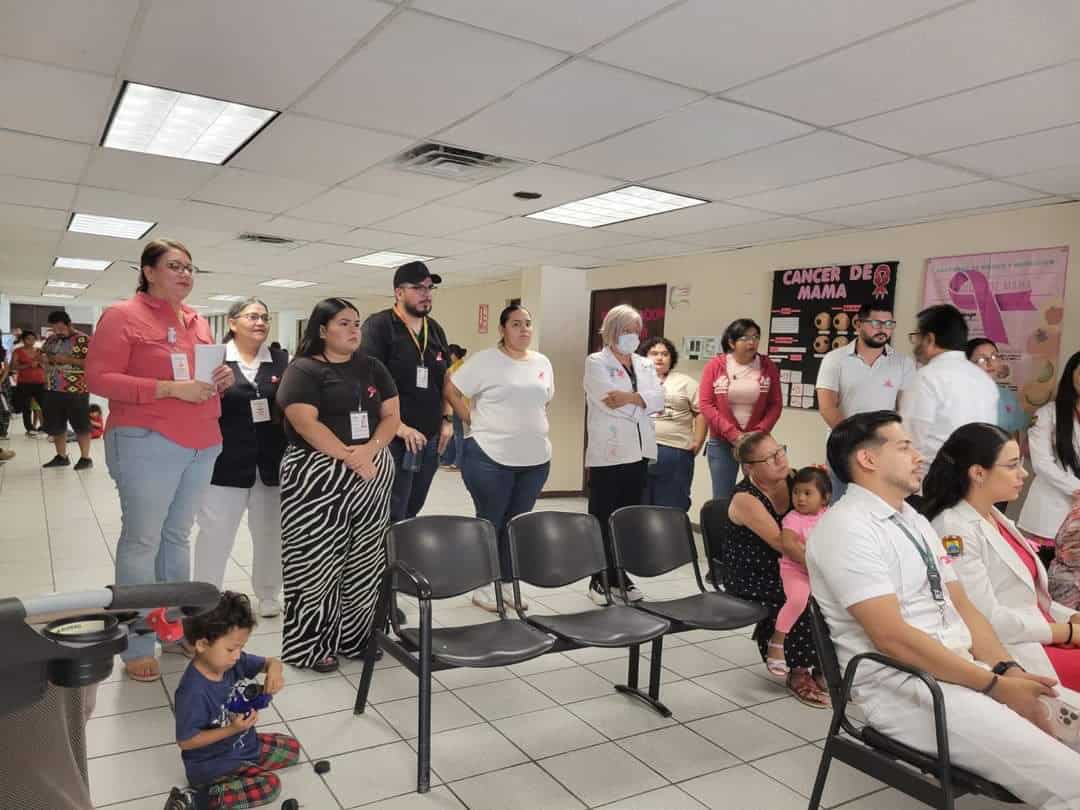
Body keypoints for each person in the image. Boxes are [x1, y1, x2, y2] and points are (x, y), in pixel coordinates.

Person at [808, 410, 1080, 809]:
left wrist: (1009, 671)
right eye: (904, 447)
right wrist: (996, 687)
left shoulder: (912, 519)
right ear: (868, 460)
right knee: (1071, 781)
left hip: (963, 671)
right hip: (911, 690)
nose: (919, 456)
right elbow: (892, 637)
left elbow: (964, 606)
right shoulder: (847, 528)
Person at [86, 238, 234, 682]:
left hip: (201, 440)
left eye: (190, 267)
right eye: (175, 266)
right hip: (146, 439)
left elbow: (200, 377)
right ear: (149, 271)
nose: (186, 274)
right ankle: (136, 642)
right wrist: (168, 388)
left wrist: (220, 379)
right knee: (143, 540)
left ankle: (174, 626)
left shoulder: (197, 321)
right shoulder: (122, 316)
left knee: (177, 536)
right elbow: (98, 378)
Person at [276, 298, 400, 673]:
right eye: (344, 323)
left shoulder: (372, 367)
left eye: (357, 323)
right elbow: (304, 422)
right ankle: (309, 645)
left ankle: (356, 636)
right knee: (315, 561)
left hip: (372, 473)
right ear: (322, 330)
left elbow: (391, 415)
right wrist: (350, 456)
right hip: (317, 474)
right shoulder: (304, 369)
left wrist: (371, 450)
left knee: (366, 561)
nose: (353, 330)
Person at [923, 422, 1080, 691]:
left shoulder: (995, 517)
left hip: (1038, 634)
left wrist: (1070, 618)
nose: (1023, 474)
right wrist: (1065, 631)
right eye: (1011, 466)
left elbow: (1033, 600)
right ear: (978, 473)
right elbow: (983, 619)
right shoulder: (954, 530)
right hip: (1009, 650)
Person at [445, 304, 552, 611]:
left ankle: (504, 583)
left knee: (515, 524)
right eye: (516, 324)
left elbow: (544, 401)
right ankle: (482, 585)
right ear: (502, 329)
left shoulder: (542, 362)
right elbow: (451, 389)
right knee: (491, 522)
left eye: (528, 324)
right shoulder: (486, 361)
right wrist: (472, 421)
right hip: (490, 457)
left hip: (534, 460)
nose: (524, 329)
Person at [193, 298, 288, 619]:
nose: (260, 322)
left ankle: (268, 594)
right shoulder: (215, 360)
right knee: (214, 534)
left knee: (269, 534)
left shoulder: (280, 360)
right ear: (233, 322)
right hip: (224, 464)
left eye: (264, 317)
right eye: (252, 316)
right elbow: (196, 404)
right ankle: (207, 599)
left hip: (270, 465)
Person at [167, 591, 298, 810]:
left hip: (242, 744)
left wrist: (274, 673)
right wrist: (232, 729)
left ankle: (246, 767)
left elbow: (271, 662)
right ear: (202, 644)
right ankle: (195, 800)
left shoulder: (231, 662)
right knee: (270, 785)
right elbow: (186, 741)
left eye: (241, 647)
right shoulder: (193, 692)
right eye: (231, 648)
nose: (237, 655)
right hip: (212, 765)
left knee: (292, 748)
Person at [723, 432, 827, 706]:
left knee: (836, 591)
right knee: (805, 595)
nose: (780, 459)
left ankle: (825, 665)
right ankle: (799, 672)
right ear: (750, 468)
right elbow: (783, 543)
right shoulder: (746, 497)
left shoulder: (794, 481)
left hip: (792, 563)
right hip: (753, 572)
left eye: (780, 450)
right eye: (770, 458)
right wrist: (823, 571)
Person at [360, 262, 453, 523]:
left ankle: (397, 557)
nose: (426, 294)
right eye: (417, 288)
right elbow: (368, 383)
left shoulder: (434, 329)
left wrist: (446, 420)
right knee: (390, 510)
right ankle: (382, 562)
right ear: (398, 293)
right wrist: (398, 427)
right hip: (393, 438)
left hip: (429, 437)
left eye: (429, 288)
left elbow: (445, 378)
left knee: (412, 506)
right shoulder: (379, 327)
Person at [584, 304, 663, 604]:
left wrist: (631, 398)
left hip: (640, 450)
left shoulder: (644, 364)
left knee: (626, 517)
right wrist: (643, 402)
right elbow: (607, 402)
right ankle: (598, 578)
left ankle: (621, 575)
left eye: (636, 331)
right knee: (603, 515)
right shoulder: (596, 362)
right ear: (611, 331)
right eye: (626, 330)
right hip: (610, 452)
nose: (632, 336)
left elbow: (659, 399)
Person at [816, 304, 915, 498]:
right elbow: (827, 407)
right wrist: (855, 440)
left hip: (883, 449)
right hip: (843, 447)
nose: (883, 329)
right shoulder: (835, 359)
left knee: (880, 506)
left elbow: (905, 409)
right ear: (858, 324)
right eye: (876, 323)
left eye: (888, 324)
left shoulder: (903, 363)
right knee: (840, 503)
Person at [899, 304, 998, 480]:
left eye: (917, 338)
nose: (915, 346)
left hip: (930, 483)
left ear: (929, 339)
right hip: (974, 482)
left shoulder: (926, 377)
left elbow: (910, 440)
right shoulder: (984, 380)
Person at [700, 318, 782, 503]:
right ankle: (721, 532)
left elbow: (775, 404)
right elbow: (706, 404)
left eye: (755, 337)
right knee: (722, 498)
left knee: (757, 496)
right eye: (745, 338)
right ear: (731, 342)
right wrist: (734, 435)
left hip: (756, 443)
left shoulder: (768, 366)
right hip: (722, 442)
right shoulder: (715, 366)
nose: (752, 342)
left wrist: (757, 434)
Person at [766, 466, 831, 678]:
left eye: (807, 493)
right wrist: (813, 567)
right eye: (796, 492)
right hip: (795, 570)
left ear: (825, 498)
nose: (800, 498)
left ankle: (827, 665)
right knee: (798, 598)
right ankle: (777, 640)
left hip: (823, 572)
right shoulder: (793, 518)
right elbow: (789, 544)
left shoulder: (829, 516)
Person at [1019, 351, 1080, 563]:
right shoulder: (1048, 413)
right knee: (1046, 577)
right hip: (1052, 509)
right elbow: (1042, 463)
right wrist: (1076, 487)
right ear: (1070, 376)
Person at [639, 336, 705, 512]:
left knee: (672, 504)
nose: (660, 358)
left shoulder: (686, 382)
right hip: (640, 450)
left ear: (672, 358)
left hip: (675, 449)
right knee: (640, 501)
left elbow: (701, 413)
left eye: (665, 354)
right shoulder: (634, 381)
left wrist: (698, 441)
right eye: (654, 353)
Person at [40, 310, 93, 470]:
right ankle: (61, 456)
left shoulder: (84, 340)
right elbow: (42, 355)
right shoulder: (51, 339)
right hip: (53, 388)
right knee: (56, 425)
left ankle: (85, 458)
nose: (57, 332)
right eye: (54, 329)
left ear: (70, 325)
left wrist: (68, 359)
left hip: (77, 390)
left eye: (60, 329)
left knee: (81, 424)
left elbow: (92, 364)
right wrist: (43, 359)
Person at [966, 338, 1031, 436]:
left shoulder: (1007, 395)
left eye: (994, 357)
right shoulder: (960, 396)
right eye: (982, 359)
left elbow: (1016, 431)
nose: (990, 363)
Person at [12, 328, 45, 437]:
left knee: (44, 405)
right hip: (24, 383)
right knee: (26, 407)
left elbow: (47, 365)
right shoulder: (18, 351)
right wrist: (28, 365)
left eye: (33, 339)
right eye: (28, 339)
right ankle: (29, 428)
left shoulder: (39, 351)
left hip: (40, 382)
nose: (31, 341)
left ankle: (45, 427)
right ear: (23, 340)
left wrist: (41, 364)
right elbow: (13, 366)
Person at [440, 344, 467, 469]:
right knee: (454, 432)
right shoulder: (462, 366)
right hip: (460, 403)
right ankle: (449, 459)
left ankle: (458, 461)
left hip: (456, 403)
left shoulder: (455, 369)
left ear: (454, 355)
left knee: (457, 433)